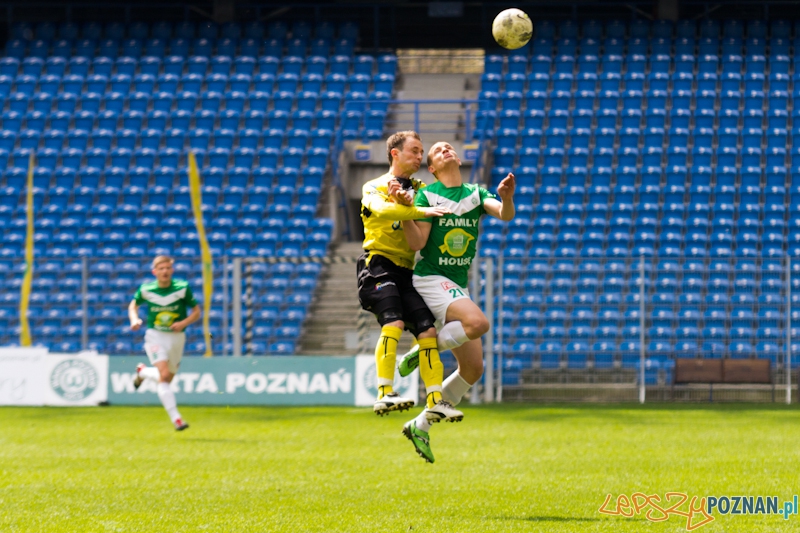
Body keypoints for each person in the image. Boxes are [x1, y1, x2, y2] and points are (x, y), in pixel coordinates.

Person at [400, 141, 516, 463]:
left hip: (456, 285)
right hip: (430, 278)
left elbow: (504, 215)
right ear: (432, 168)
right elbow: (417, 243)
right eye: (438, 150)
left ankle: (420, 425)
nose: (445, 149)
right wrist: (407, 214)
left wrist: (506, 198)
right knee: (478, 323)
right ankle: (426, 349)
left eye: (449, 147)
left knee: (473, 369)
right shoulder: (428, 195)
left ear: (459, 160)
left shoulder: (476, 194)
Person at [358, 130, 462, 423]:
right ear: (395, 153)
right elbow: (382, 210)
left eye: (421, 152)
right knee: (394, 321)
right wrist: (418, 210)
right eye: (414, 151)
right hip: (378, 264)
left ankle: (435, 401)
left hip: (407, 270)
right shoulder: (374, 186)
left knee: (428, 331)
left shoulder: (420, 188)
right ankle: (384, 392)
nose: (419, 156)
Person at [129, 255, 201, 431]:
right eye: (161, 268)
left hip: (177, 337)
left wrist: (183, 323)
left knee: (167, 378)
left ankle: (143, 372)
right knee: (164, 374)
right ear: (155, 272)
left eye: (168, 268)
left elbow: (196, 312)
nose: (165, 271)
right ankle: (177, 419)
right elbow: (133, 306)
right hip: (155, 335)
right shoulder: (146, 289)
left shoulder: (182, 288)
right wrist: (134, 319)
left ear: (172, 270)